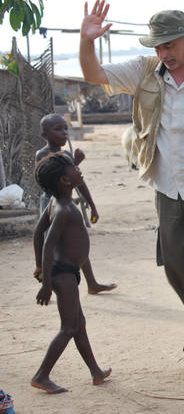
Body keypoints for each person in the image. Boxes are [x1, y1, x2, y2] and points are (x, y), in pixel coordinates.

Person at [79, 0, 184, 378]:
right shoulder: (145, 71)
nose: (163, 53)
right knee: (176, 270)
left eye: (168, 45)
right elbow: (93, 74)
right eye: (157, 47)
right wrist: (87, 41)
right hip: (166, 187)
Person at [31, 153, 111, 393]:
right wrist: (45, 282)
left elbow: (37, 232)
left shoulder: (57, 203)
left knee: (79, 324)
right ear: (65, 181)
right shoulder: (64, 209)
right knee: (69, 328)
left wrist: (39, 267)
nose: (79, 170)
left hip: (65, 272)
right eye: (74, 168)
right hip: (62, 275)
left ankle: (95, 372)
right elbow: (47, 243)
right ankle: (42, 375)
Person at [35, 113, 117, 295]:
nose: (64, 133)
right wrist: (75, 162)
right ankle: (48, 280)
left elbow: (78, 181)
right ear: (45, 135)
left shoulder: (65, 154)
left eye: (65, 128)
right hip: (52, 203)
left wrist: (92, 205)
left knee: (77, 240)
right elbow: (47, 181)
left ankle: (92, 283)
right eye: (58, 129)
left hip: (67, 201)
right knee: (54, 243)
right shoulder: (42, 154)